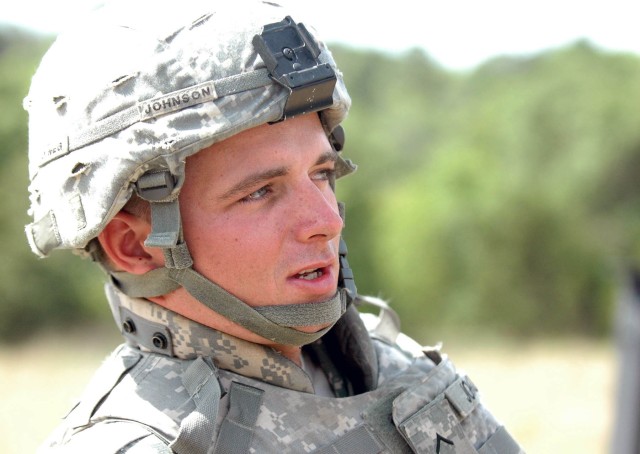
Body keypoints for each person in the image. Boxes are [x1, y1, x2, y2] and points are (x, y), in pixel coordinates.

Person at [25, 1, 524, 452]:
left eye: (322, 174)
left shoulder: (403, 375)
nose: (327, 222)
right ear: (134, 245)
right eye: (260, 192)